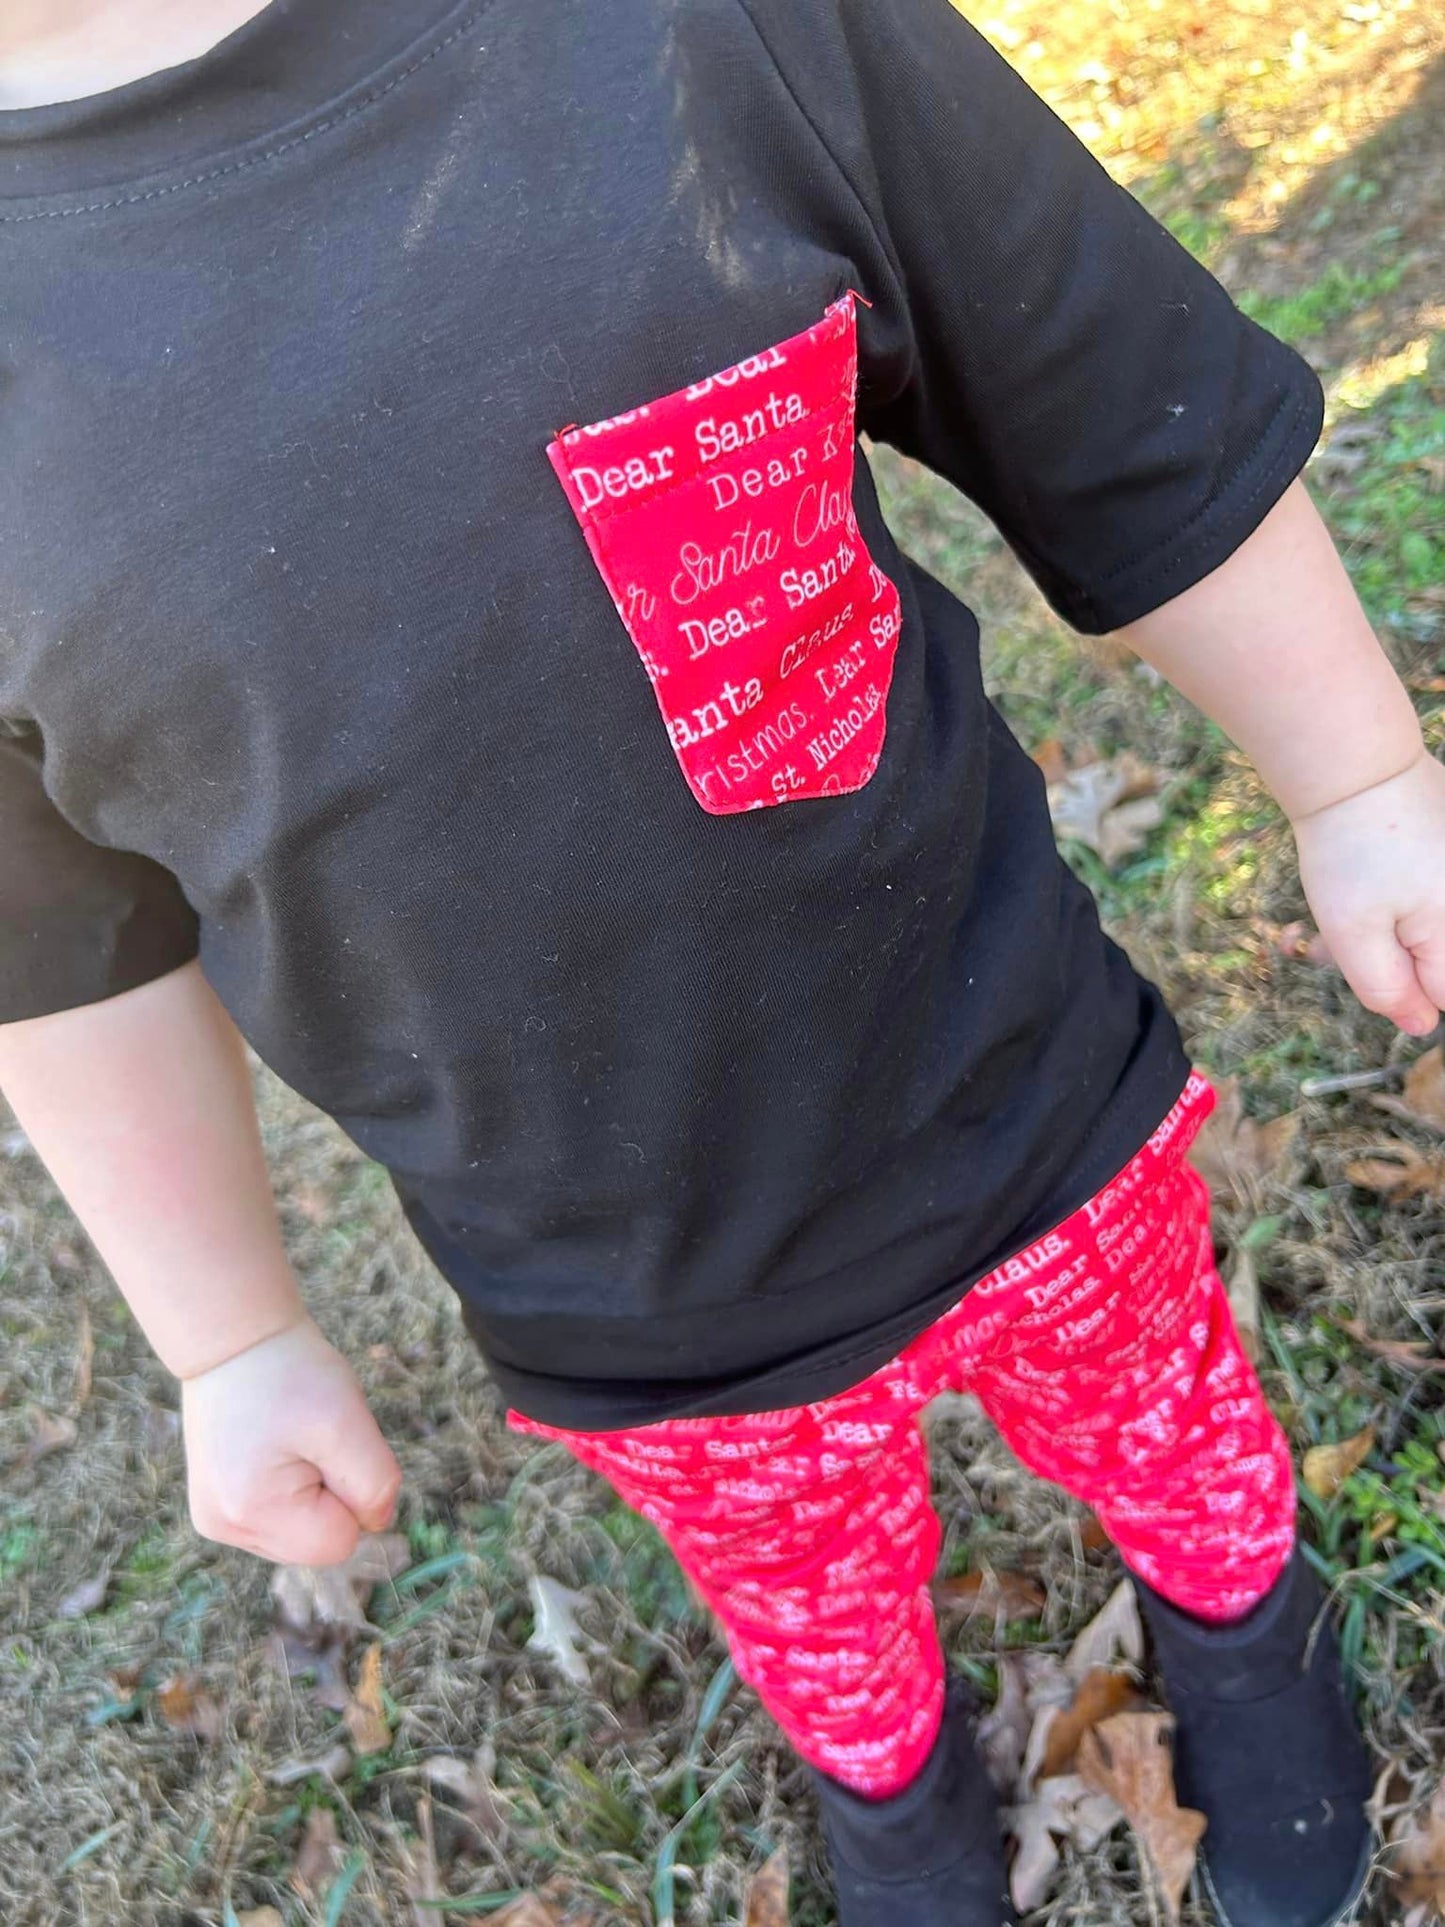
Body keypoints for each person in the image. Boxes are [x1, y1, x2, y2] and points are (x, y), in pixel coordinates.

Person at [0, 0, 1431, 1919]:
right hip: (629, 1280)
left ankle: (1248, 1635)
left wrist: (1357, 778)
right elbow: (56, 946)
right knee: (806, 1587)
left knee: (1166, 1418)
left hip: (1015, 1085)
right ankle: (889, 1786)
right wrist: (229, 1337)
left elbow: (1098, 378)